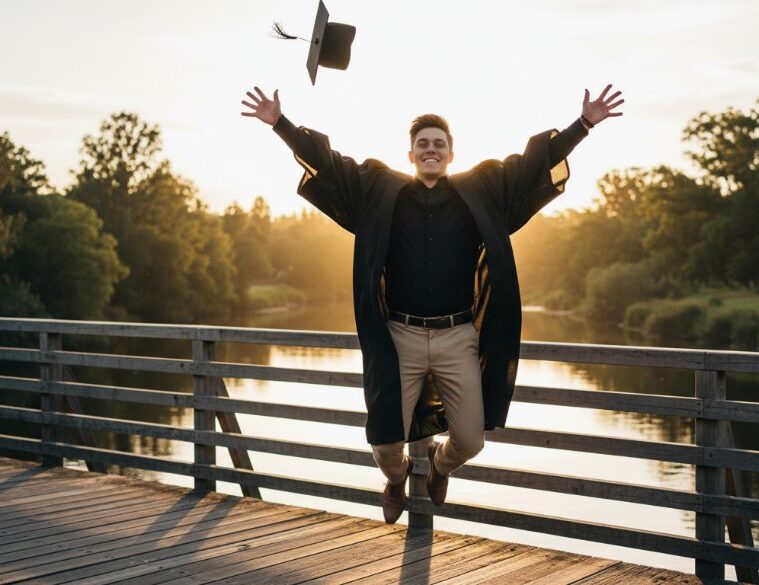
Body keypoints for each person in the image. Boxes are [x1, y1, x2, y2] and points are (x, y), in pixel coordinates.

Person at [241, 84, 623, 523]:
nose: (430, 149)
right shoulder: (381, 191)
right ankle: (396, 477)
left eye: (439, 144)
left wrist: (584, 124)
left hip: (457, 337)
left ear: (451, 154)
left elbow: (532, 163)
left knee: (471, 441)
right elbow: (330, 164)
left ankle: (439, 467)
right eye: (422, 144)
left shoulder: (479, 189)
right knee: (384, 443)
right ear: (410, 154)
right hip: (399, 337)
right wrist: (281, 125)